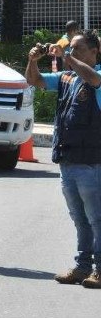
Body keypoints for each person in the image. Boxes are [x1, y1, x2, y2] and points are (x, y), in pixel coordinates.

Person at [25, 30, 101, 289]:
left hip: (92, 161)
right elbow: (35, 81)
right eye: (72, 49)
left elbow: (93, 80)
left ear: (95, 52)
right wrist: (33, 60)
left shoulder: (96, 75)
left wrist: (68, 58)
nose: (74, 53)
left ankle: (100, 269)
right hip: (68, 159)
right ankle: (82, 266)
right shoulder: (67, 77)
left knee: (97, 218)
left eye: (79, 49)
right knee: (79, 218)